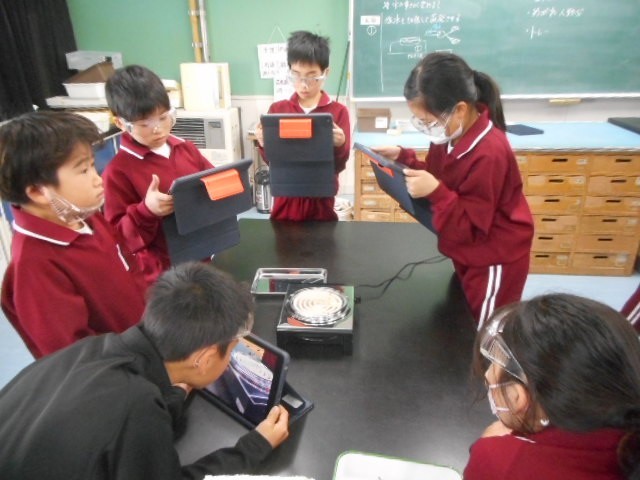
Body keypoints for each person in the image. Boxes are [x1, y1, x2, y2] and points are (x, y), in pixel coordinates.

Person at [0, 261, 290, 479]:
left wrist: (175, 392)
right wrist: (255, 446)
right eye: (231, 351)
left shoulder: (95, 347)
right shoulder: (137, 406)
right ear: (203, 358)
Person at [373, 52, 533, 327]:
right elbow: (439, 177)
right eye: (420, 122)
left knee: (486, 331)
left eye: (429, 122)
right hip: (467, 248)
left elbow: (470, 225)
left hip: (495, 256)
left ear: (459, 109)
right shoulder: (449, 134)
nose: (427, 129)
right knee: (462, 319)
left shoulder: (490, 152)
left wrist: (436, 192)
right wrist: (404, 158)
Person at [0, 111, 147, 358]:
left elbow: (130, 267)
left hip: (144, 341)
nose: (97, 179)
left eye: (92, 165)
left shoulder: (86, 216)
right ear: (37, 192)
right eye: (83, 171)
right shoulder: (34, 265)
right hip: (119, 369)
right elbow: (75, 355)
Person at [465, 293, 640, 479]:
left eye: (494, 363)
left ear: (518, 398)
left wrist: (497, 445)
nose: (488, 374)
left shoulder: (499, 461)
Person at [103, 64, 213, 284]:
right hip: (162, 273)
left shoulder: (185, 148)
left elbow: (213, 179)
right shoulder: (117, 171)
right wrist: (146, 211)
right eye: (145, 124)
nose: (158, 129)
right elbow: (118, 239)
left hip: (202, 254)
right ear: (120, 123)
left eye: (163, 118)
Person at [255, 30, 351, 221]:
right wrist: (264, 144)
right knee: (283, 239)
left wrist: (341, 144)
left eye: (312, 77)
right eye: (296, 76)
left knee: (323, 239)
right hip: (285, 199)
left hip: (321, 200)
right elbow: (272, 162)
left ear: (325, 73)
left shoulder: (337, 112)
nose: (303, 85)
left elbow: (339, 165)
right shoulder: (278, 109)